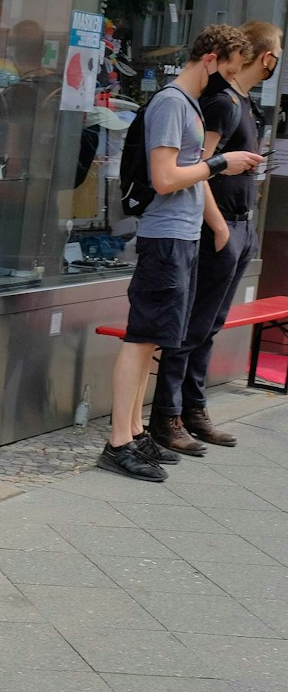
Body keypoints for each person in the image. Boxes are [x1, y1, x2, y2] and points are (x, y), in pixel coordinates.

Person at [99, 25, 264, 482]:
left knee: (152, 337)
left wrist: (213, 224)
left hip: (181, 235)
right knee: (141, 339)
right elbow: (166, 178)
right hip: (165, 236)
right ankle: (119, 441)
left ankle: (132, 432)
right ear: (210, 58)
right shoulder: (173, 102)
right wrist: (219, 164)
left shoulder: (186, 104)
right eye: (228, 70)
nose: (229, 82)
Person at [148, 21, 280, 455]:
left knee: (210, 323)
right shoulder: (221, 103)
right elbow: (198, 165)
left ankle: (193, 409)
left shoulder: (244, 103)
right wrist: (220, 227)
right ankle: (169, 416)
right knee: (191, 325)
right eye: (277, 51)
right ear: (264, 57)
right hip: (216, 225)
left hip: (240, 224)